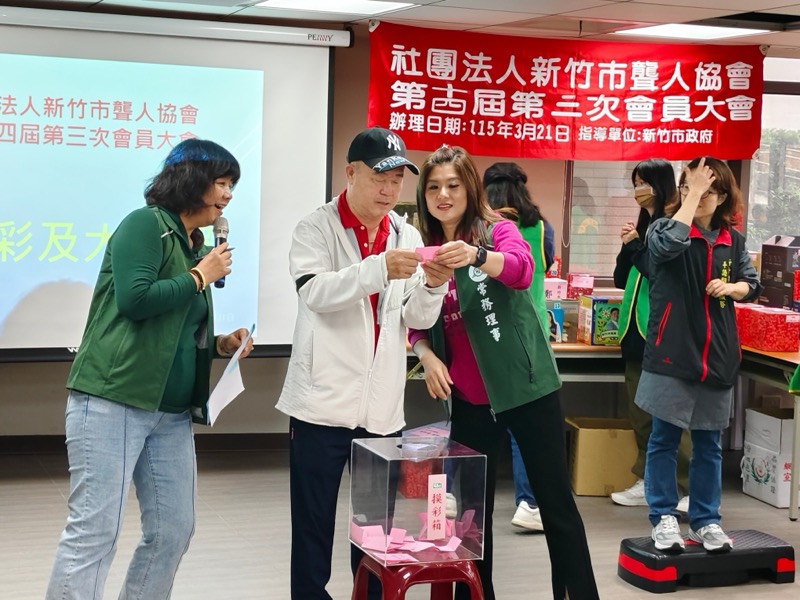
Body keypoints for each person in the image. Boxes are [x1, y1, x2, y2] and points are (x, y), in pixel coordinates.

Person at [46, 138, 254, 599]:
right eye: (222, 183)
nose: (228, 195)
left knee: (174, 529)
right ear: (192, 180)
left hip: (170, 412)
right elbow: (135, 301)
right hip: (113, 400)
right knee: (95, 532)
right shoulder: (146, 225)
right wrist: (200, 275)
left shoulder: (194, 245)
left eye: (232, 185)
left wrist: (222, 344)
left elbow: (174, 328)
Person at [409, 145, 598, 600]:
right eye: (433, 187)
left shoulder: (497, 230)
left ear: (470, 188)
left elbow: (521, 270)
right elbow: (412, 320)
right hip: (470, 400)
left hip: (527, 389)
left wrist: (476, 256)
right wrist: (426, 355)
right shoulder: (421, 248)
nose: (443, 195)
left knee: (555, 505)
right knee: (471, 517)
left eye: (453, 185)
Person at [275, 127, 452, 600]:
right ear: (350, 173)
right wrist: (377, 269)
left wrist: (434, 284)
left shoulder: (406, 234)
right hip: (321, 406)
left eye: (397, 180)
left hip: (381, 412)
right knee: (312, 526)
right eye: (379, 177)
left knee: (376, 530)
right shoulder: (316, 228)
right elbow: (315, 293)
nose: (389, 190)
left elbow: (415, 317)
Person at [636, 157, 761, 553]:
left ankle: (706, 521)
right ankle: (663, 517)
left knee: (709, 445)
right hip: (672, 354)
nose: (699, 195)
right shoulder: (664, 228)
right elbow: (665, 248)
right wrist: (689, 197)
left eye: (708, 190)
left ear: (722, 197)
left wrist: (735, 289)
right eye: (690, 187)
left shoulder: (732, 240)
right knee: (664, 439)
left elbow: (751, 282)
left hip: (717, 356)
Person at [611, 159, 692, 513]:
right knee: (640, 414)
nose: (638, 190)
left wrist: (635, 246)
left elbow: (656, 272)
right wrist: (628, 245)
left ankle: (686, 487)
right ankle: (648, 481)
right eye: (635, 183)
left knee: (671, 416)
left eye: (643, 183)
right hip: (634, 331)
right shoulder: (644, 225)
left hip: (661, 332)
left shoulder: (673, 227)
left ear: (661, 185)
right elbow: (621, 278)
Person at [483, 161, 556, 532]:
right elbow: (547, 265)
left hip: (485, 334)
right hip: (530, 335)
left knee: (473, 420)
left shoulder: (479, 228)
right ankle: (528, 502)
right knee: (524, 427)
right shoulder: (541, 228)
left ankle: (453, 493)